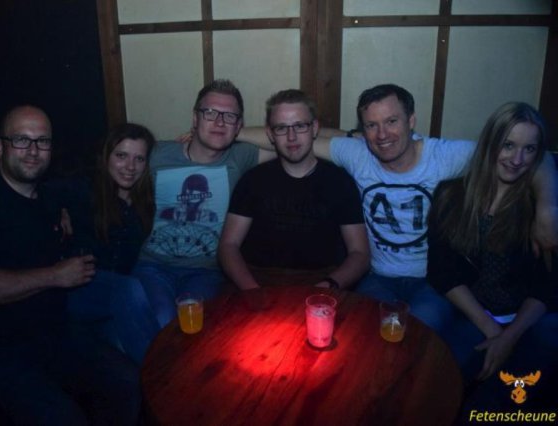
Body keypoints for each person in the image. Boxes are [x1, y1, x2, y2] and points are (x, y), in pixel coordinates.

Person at [239, 83, 557, 333]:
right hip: (376, 277)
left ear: (411, 121)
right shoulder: (357, 153)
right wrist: (230, 132)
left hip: (433, 281)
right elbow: (295, 140)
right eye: (372, 125)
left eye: (392, 121)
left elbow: (532, 154)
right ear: (363, 130)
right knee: (362, 332)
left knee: (418, 333)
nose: (383, 135)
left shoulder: (444, 156)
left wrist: (547, 208)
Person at [0, 105, 140, 424]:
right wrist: (54, 276)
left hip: (53, 332)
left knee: (129, 381)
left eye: (42, 141)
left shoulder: (48, 197)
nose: (33, 150)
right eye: (21, 140)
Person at [427, 102, 558, 409]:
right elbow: (443, 272)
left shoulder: (538, 211)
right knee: (438, 385)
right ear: (490, 143)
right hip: (475, 315)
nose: (517, 159)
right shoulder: (451, 195)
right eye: (508, 145)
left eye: (529, 149)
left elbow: (547, 286)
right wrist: (492, 331)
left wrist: (509, 337)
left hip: (529, 322)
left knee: (499, 403)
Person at [133, 79, 276, 327]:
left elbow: (292, 138)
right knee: (164, 319)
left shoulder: (239, 156)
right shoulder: (159, 153)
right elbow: (112, 169)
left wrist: (232, 131)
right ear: (194, 118)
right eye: (210, 113)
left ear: (239, 124)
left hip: (205, 271)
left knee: (198, 325)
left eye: (229, 116)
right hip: (153, 265)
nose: (219, 122)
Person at [218, 89, 370, 290]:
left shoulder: (340, 182)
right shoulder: (253, 180)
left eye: (300, 126)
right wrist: (251, 290)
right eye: (281, 128)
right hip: (258, 280)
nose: (291, 136)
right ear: (270, 134)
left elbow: (360, 253)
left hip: (323, 281)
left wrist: (329, 285)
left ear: (314, 128)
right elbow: (228, 245)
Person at [58, 123, 161, 365]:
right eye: (121, 156)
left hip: (116, 303)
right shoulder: (82, 189)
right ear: (106, 157)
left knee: (127, 354)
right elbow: (29, 188)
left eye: (139, 159)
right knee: (129, 289)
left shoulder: (146, 200)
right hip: (80, 290)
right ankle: (166, 374)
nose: (130, 167)